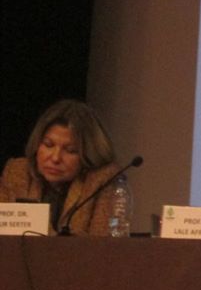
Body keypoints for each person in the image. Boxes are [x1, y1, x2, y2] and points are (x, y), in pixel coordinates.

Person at [0, 99, 119, 235]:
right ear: (37, 145)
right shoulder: (18, 172)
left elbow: (103, 242)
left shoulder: (101, 180)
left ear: (88, 155)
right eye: (48, 145)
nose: (55, 158)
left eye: (70, 150)